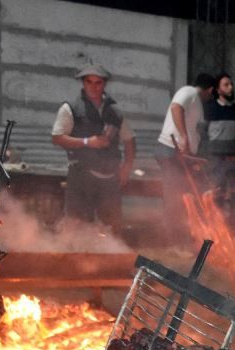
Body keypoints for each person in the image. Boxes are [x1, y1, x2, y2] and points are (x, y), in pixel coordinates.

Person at [50, 65, 136, 230]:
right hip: (81, 176)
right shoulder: (70, 108)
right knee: (77, 226)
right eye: (89, 82)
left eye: (98, 82)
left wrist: (127, 166)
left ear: (104, 84)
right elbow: (57, 138)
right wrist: (87, 142)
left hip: (110, 179)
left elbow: (129, 139)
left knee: (112, 226)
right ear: (83, 83)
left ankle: (110, 254)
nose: (93, 87)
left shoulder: (115, 111)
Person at [155, 73, 216, 236]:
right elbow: (176, 108)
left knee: (185, 194)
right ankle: (172, 239)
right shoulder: (189, 91)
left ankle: (182, 234)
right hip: (171, 150)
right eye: (212, 93)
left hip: (183, 155)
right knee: (174, 195)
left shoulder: (196, 102)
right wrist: (184, 138)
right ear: (210, 90)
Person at [202, 72, 235, 219]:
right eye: (226, 85)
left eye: (231, 84)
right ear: (218, 90)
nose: (230, 88)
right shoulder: (209, 109)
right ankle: (216, 229)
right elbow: (201, 133)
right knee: (216, 192)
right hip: (216, 160)